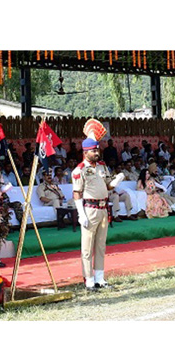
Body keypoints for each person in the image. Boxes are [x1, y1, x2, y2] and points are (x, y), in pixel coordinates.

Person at [72, 121, 126, 291]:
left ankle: (100, 278)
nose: (97, 153)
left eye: (97, 150)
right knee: (87, 248)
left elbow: (108, 184)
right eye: (93, 151)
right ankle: (88, 280)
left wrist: (116, 180)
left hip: (103, 208)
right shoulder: (79, 170)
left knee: (101, 246)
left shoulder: (102, 166)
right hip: (90, 209)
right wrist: (81, 214)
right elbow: (77, 194)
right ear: (85, 152)